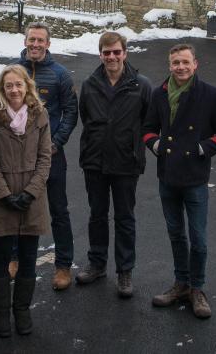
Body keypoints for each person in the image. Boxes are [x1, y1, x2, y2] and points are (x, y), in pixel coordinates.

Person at [143, 43, 216, 320]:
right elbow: (147, 129)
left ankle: (197, 288)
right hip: (168, 175)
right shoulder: (159, 94)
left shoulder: (212, 95)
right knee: (175, 234)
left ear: (196, 64)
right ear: (169, 65)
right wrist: (156, 145)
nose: (180, 67)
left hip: (194, 177)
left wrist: (200, 149)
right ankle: (181, 284)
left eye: (185, 62)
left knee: (199, 239)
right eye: (175, 63)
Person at [75, 31, 152, 297]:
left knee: (124, 217)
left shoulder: (140, 85)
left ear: (125, 53)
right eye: (107, 53)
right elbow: (86, 116)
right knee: (97, 215)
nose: (112, 57)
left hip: (126, 161)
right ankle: (97, 263)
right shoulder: (90, 83)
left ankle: (125, 271)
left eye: (116, 52)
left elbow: (148, 120)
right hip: (95, 161)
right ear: (101, 55)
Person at [0, 64, 51, 337]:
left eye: (18, 84)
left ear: (27, 87)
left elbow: (45, 158)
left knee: (28, 257)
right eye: (8, 85)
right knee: (0, 258)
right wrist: (5, 194)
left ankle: (21, 310)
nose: (13, 90)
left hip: (32, 199)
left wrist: (31, 192)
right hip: (3, 200)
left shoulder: (40, 115)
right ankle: (1, 314)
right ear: (2, 88)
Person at [14, 22, 76, 290]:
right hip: (19, 155)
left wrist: (55, 143)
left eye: (40, 41)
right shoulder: (13, 72)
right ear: (25, 41)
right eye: (32, 40)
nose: (35, 45)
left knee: (58, 210)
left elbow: (71, 113)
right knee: (20, 208)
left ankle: (63, 266)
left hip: (51, 155)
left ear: (48, 44)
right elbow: (0, 107)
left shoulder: (60, 74)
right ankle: (16, 259)